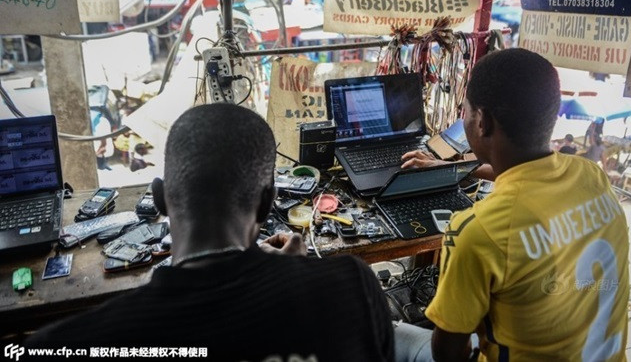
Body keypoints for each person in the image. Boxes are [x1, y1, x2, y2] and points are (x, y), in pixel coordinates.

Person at [28, 104, 394, 361]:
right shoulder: (351, 287)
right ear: (268, 203)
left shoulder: (62, 345)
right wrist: (296, 276)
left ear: (160, 198)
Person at [396, 49, 629, 361]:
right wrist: (444, 168)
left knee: (392, 333)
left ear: (482, 122)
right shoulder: (591, 176)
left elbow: (447, 354)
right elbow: (522, 170)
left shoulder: (477, 232)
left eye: (465, 111)